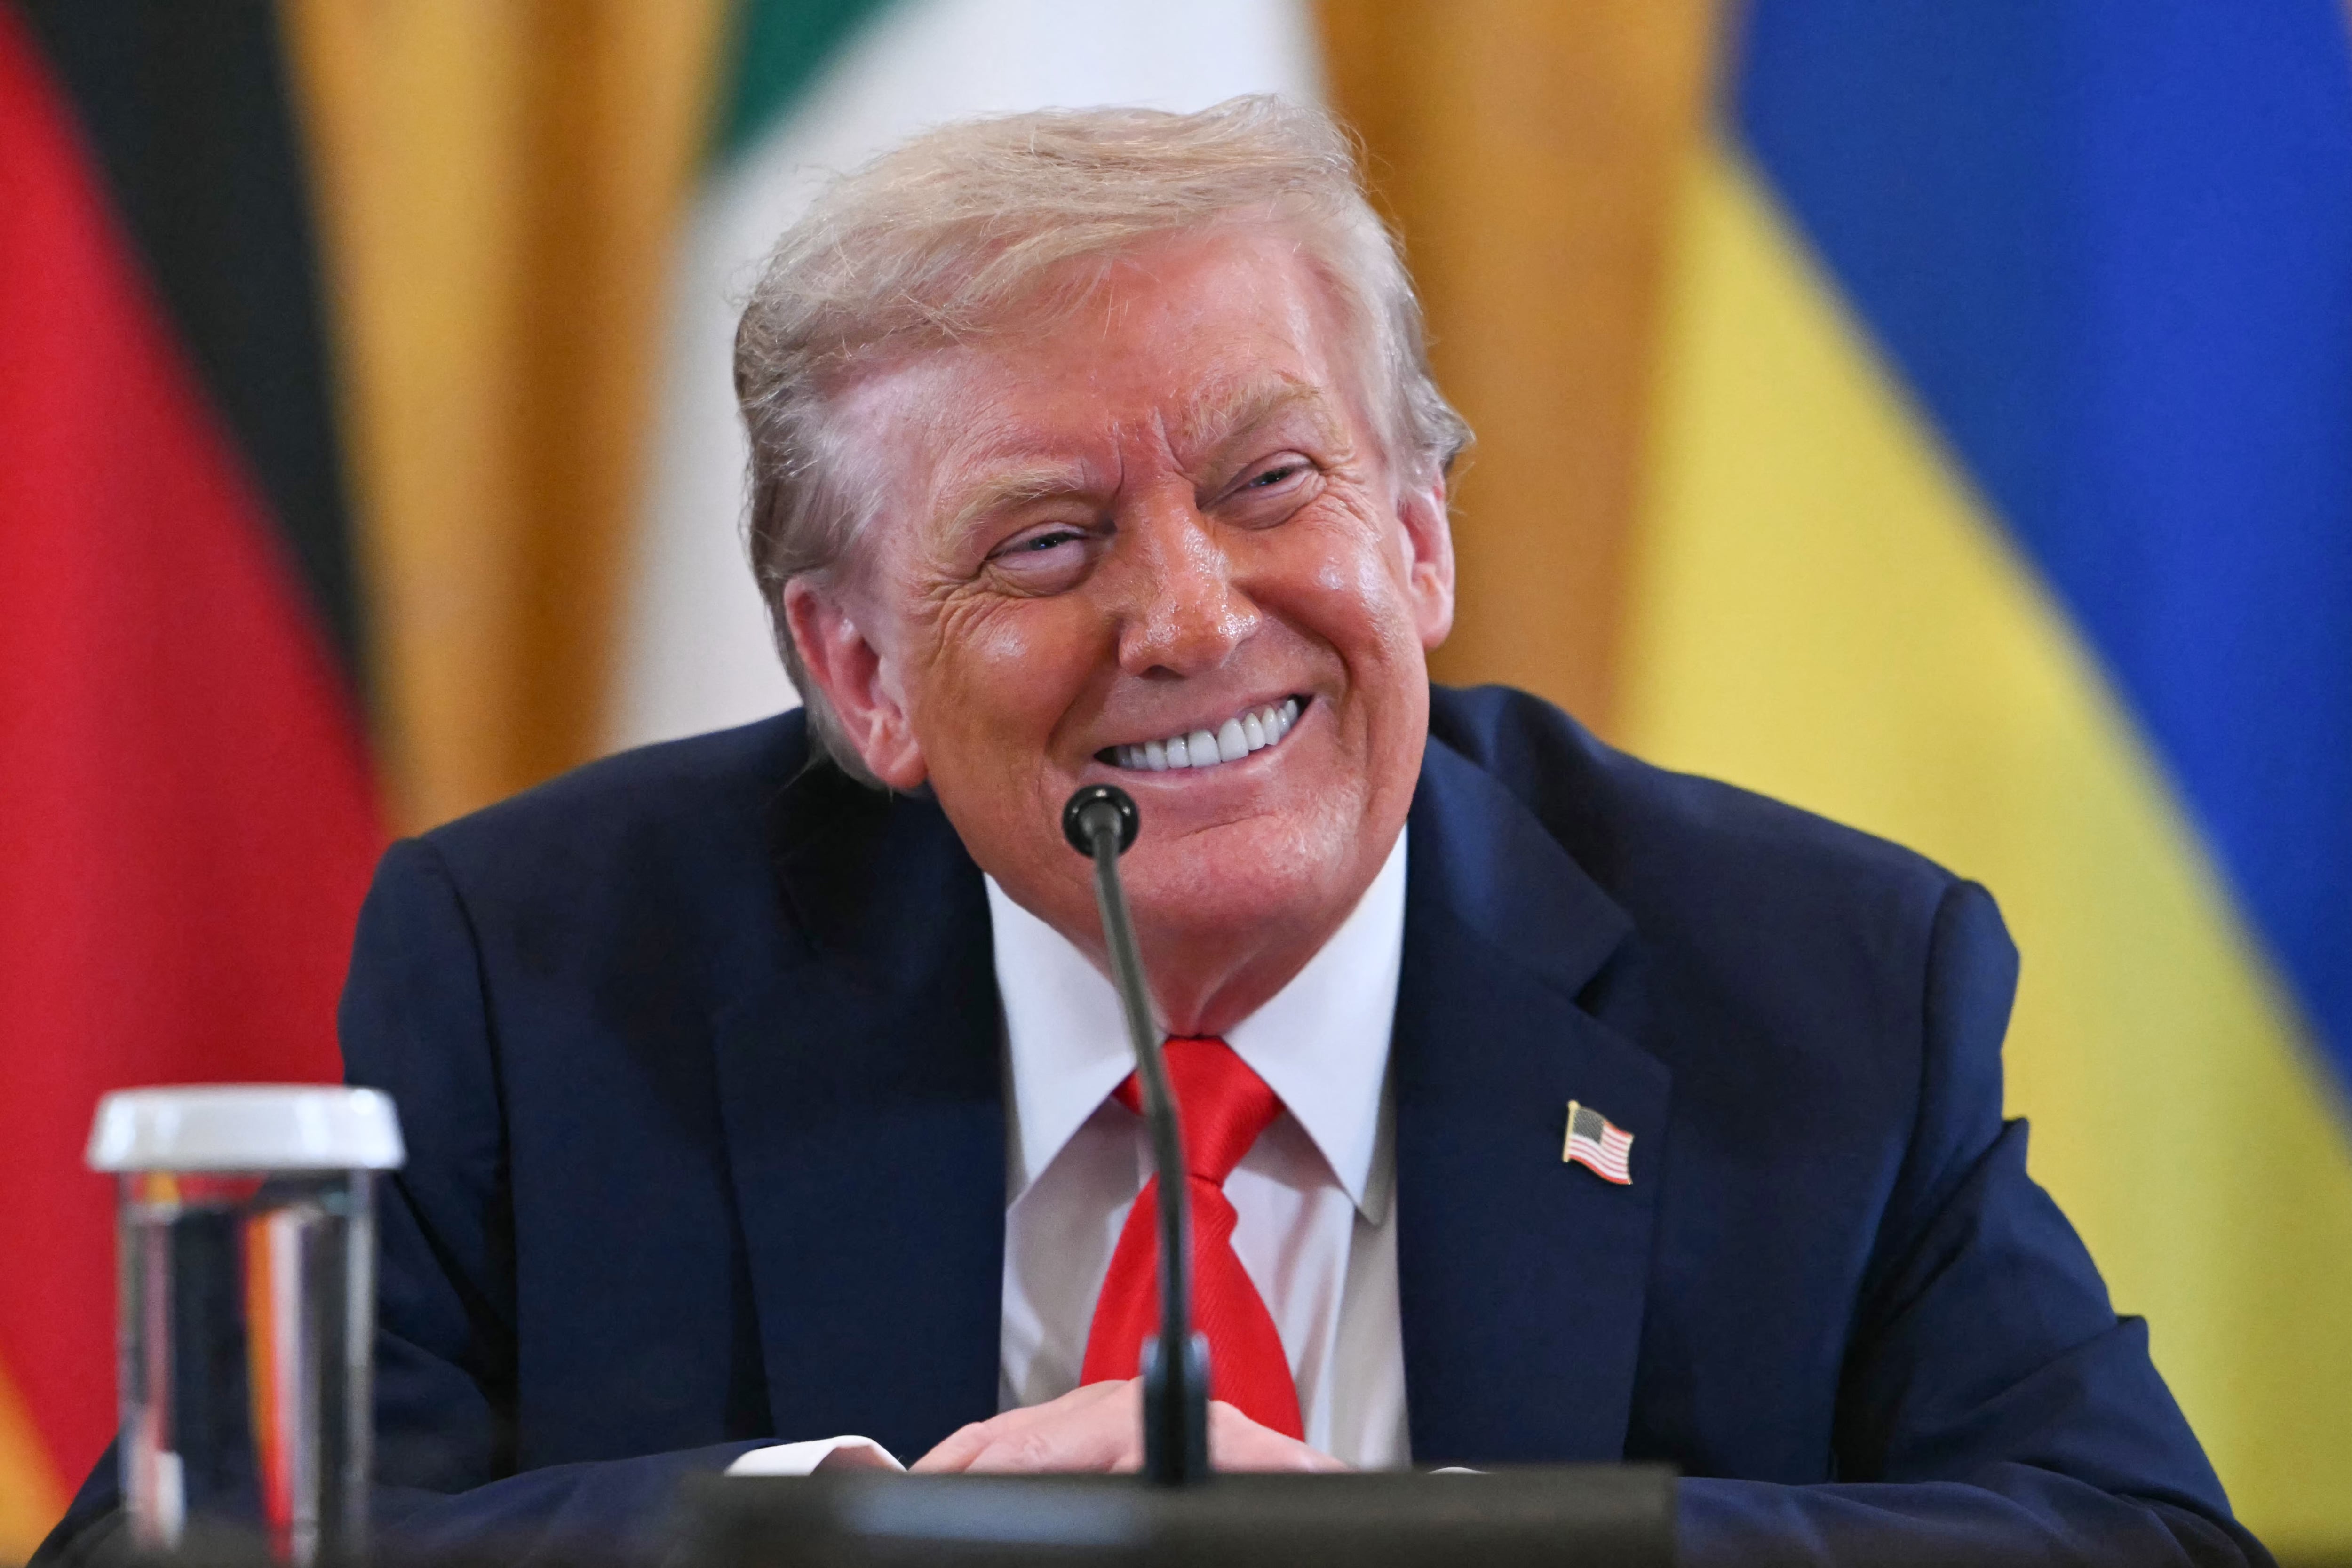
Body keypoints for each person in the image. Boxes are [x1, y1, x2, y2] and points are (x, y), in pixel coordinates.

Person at [41, 96, 2264, 1566]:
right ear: (856, 674)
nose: (1190, 617)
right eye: (1043, 541)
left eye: (1272, 483)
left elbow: (2135, 1543)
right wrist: (842, 1535)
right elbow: (189, 1545)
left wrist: (1409, 1546)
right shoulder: (550, 967)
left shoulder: (1810, 981)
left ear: (1417, 540)